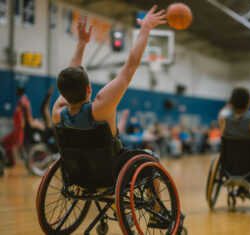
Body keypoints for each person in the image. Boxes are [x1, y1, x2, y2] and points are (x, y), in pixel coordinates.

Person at [52, 6, 167, 228]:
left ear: (63, 94)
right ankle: (157, 211)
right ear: (88, 88)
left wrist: (81, 44)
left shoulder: (58, 113)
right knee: (150, 158)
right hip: (113, 172)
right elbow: (131, 65)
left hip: (79, 175)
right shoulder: (101, 106)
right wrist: (145, 28)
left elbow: (69, 79)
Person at [218, 87, 250, 198]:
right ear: (249, 102)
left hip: (229, 168)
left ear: (231, 103)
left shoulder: (223, 119)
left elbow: (222, 113)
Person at [1, 84, 47, 166]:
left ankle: (13, 160)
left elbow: (27, 115)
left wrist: (32, 123)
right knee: (6, 143)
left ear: (20, 91)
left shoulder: (23, 101)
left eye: (17, 91)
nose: (16, 92)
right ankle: (12, 161)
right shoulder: (22, 101)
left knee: (10, 144)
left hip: (19, 129)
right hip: (18, 129)